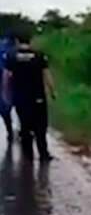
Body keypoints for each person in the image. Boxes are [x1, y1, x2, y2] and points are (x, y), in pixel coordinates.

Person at [2, 30, 56, 161]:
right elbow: (47, 75)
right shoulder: (39, 55)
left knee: (25, 125)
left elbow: (6, 77)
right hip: (38, 96)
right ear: (30, 41)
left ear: (17, 42)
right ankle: (43, 153)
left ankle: (28, 155)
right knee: (41, 125)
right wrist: (53, 91)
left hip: (20, 97)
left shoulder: (11, 56)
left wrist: (6, 93)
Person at [0, 31, 16, 142]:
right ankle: (12, 131)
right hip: (10, 78)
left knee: (4, 106)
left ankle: (10, 131)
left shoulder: (3, 46)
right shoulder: (12, 50)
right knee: (9, 105)